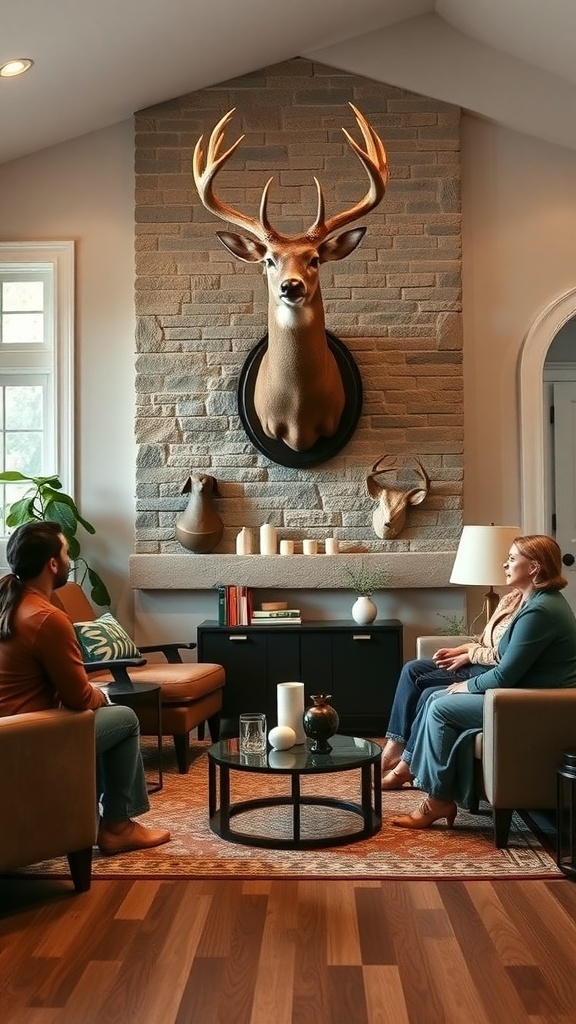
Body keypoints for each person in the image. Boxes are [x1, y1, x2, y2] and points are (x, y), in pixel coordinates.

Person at [0, 520, 170, 856]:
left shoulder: (9, 604)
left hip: (10, 729)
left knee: (103, 716)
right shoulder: (46, 617)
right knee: (124, 718)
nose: (68, 559)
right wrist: (103, 694)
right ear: (52, 564)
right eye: (65, 553)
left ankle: (98, 815)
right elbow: (79, 698)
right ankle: (119, 827)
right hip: (26, 739)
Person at [390, 535, 576, 830]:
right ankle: (432, 791)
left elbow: (505, 674)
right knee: (435, 696)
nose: (506, 563)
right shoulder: (531, 602)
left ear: (535, 568)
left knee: (440, 706)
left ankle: (438, 800)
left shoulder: (540, 611)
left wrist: (466, 686)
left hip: (531, 703)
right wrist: (468, 659)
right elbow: (503, 658)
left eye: (513, 558)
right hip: (518, 694)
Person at [380, 588, 522, 789]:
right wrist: (462, 649)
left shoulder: (530, 610)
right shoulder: (511, 598)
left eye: (513, 559)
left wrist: (469, 655)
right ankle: (395, 745)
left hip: (487, 669)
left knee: (423, 685)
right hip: (477, 662)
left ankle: (406, 762)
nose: (506, 564)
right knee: (412, 668)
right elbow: (484, 641)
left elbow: (503, 657)